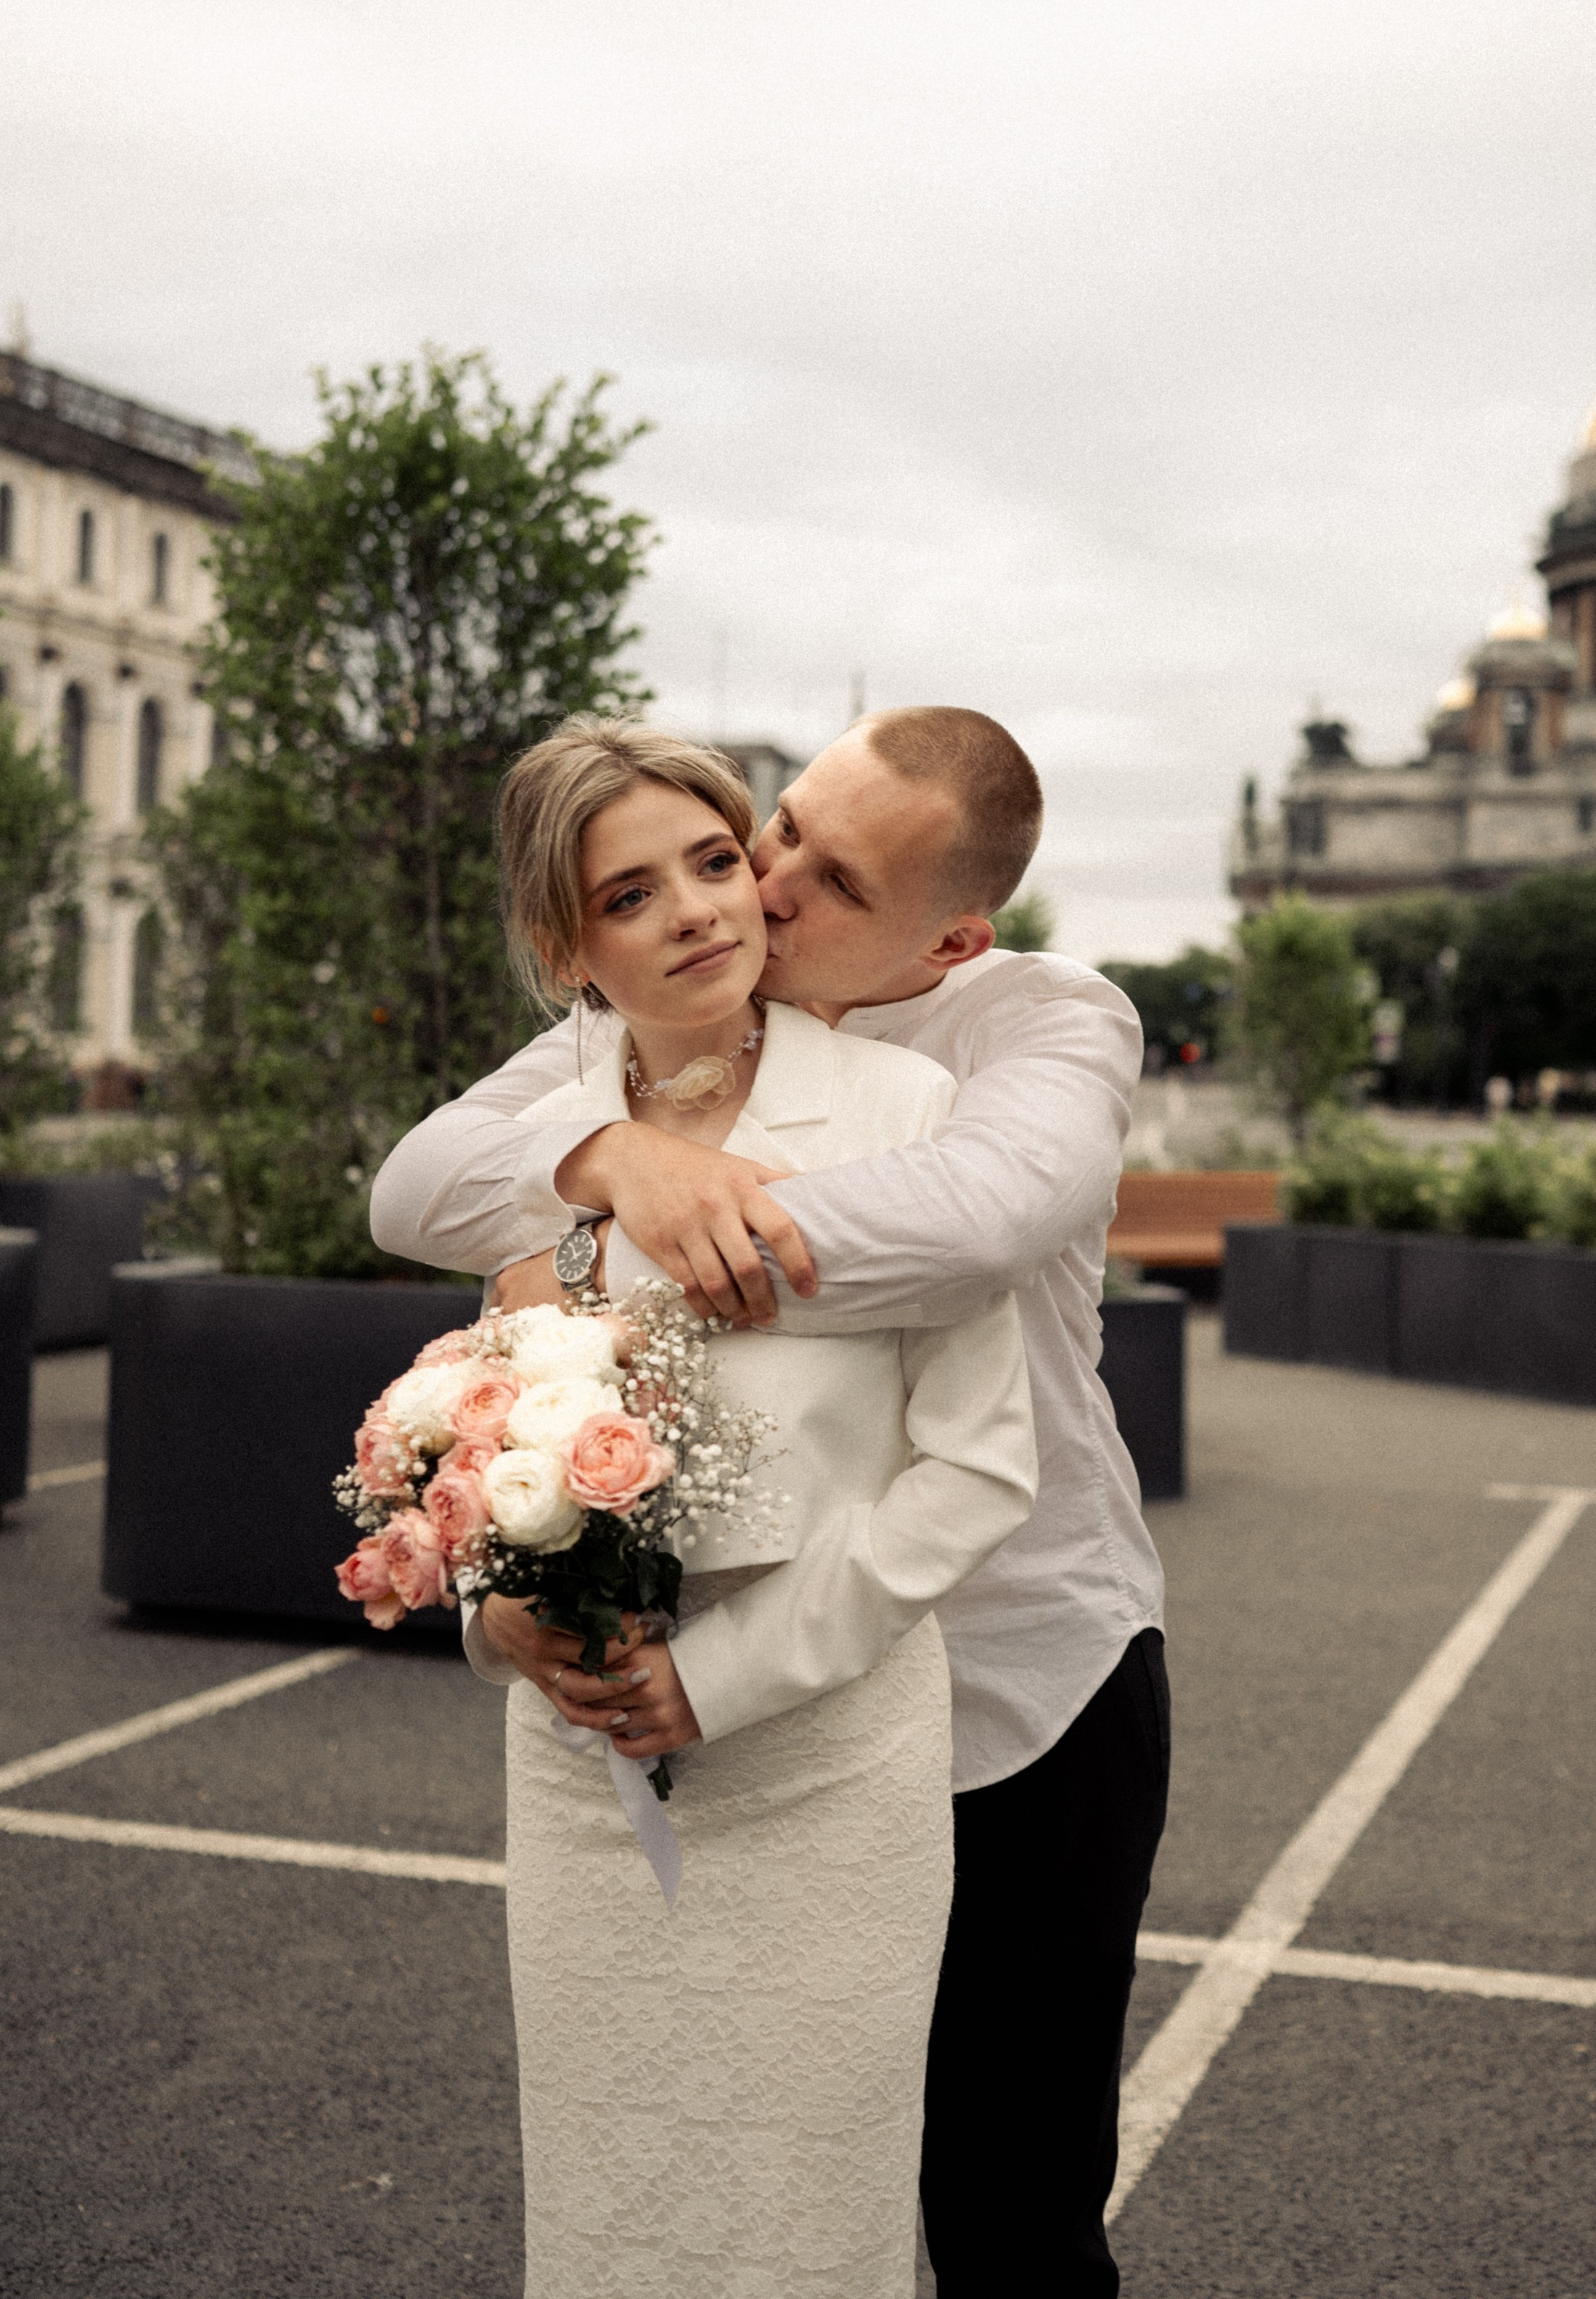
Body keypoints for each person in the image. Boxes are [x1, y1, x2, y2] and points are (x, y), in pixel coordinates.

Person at [373, 706, 1169, 2297]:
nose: (769, 889)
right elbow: (415, 1189)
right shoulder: (621, 1053)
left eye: (832, 873)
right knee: (704, 2168)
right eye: (782, 827)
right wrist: (612, 1149)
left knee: (1006, 2198)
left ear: (951, 935)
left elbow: (981, 1220)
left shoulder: (1040, 1020)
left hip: (1025, 1685)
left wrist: (619, 1221)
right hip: (726, 1715)